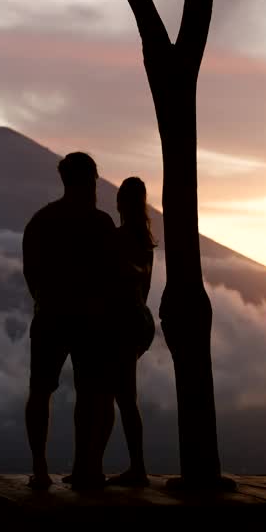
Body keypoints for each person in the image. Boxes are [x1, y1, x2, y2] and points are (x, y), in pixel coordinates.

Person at [22, 152, 118, 490]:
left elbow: (31, 272)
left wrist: (46, 300)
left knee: (40, 391)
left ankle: (41, 469)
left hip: (49, 316)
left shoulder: (42, 220)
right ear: (90, 179)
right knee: (89, 393)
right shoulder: (102, 224)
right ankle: (83, 468)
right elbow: (112, 277)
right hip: (90, 320)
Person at [109, 176, 156, 487]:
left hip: (118, 322)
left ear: (120, 203)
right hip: (139, 320)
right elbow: (146, 289)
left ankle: (135, 467)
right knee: (127, 396)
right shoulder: (146, 241)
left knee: (117, 396)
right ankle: (136, 465)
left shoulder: (118, 237)